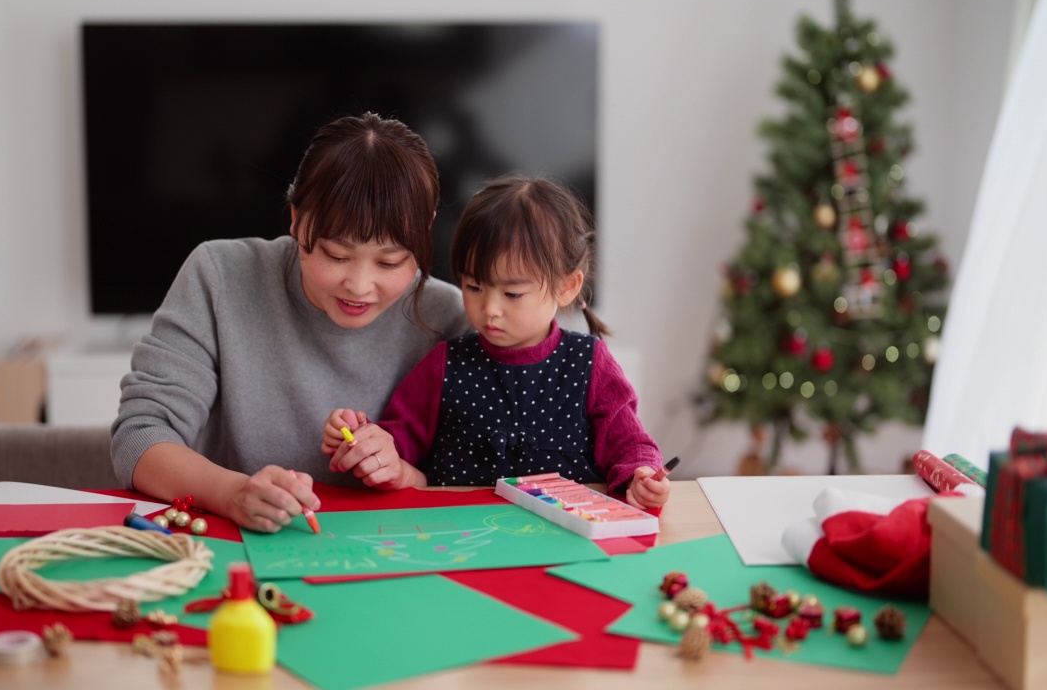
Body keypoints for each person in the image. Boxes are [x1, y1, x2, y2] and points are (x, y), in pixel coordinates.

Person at [111, 112, 470, 533]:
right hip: (232, 546)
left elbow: (472, 475)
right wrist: (232, 494)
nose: (359, 286)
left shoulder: (452, 318)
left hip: (393, 549)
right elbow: (139, 437)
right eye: (336, 255)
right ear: (297, 219)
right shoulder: (220, 275)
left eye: (390, 261)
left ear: (426, 230)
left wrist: (404, 472)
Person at [322, 176, 671, 510]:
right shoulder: (447, 363)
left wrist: (642, 476)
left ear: (567, 286)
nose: (489, 309)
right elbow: (397, 442)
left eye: (512, 293)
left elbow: (630, 445)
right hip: (463, 542)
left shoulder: (588, 362)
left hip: (565, 538)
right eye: (474, 287)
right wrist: (363, 440)